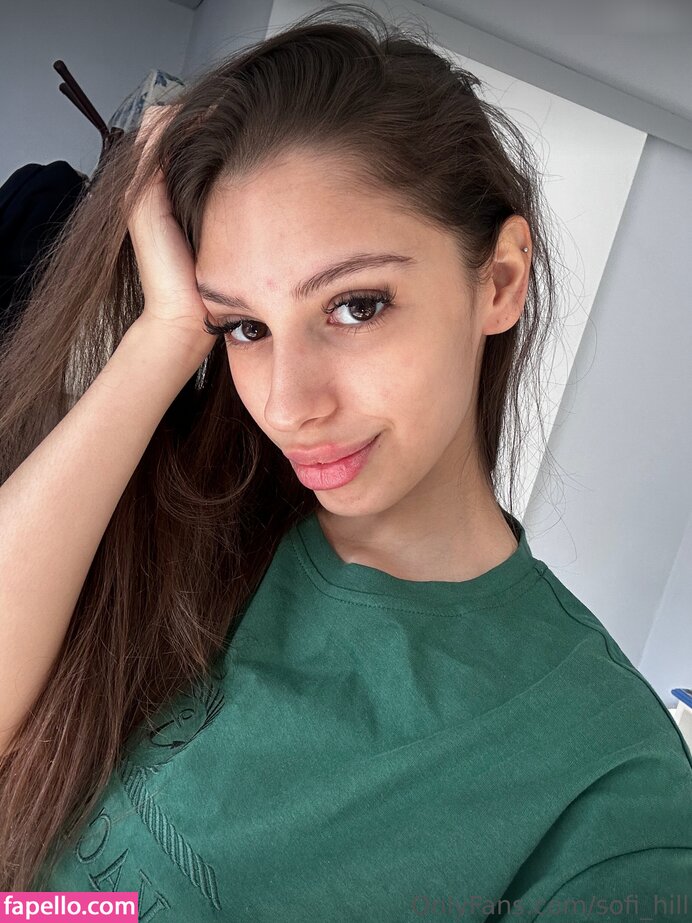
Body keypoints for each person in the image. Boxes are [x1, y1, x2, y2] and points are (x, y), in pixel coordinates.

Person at [0, 3, 690, 917]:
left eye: (357, 305)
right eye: (245, 326)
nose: (288, 405)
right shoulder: (193, 510)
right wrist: (165, 335)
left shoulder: (609, 781)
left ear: (500, 279)